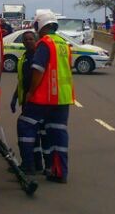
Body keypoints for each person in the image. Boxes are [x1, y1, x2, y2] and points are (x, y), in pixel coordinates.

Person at [18, 10, 74, 184]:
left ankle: (29, 166)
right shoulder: (64, 44)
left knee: (25, 124)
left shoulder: (45, 44)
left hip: (45, 96)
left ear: (39, 26)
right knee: (58, 133)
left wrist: (30, 92)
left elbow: (38, 70)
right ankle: (59, 172)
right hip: (63, 98)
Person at [8, 30, 45, 174]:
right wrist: (15, 96)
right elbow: (22, 80)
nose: (28, 41)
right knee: (33, 135)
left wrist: (30, 94)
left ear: (36, 40)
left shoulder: (37, 56)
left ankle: (28, 165)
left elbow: (35, 79)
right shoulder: (24, 57)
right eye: (26, 39)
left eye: (31, 39)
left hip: (34, 100)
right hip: (26, 100)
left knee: (25, 131)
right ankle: (37, 164)